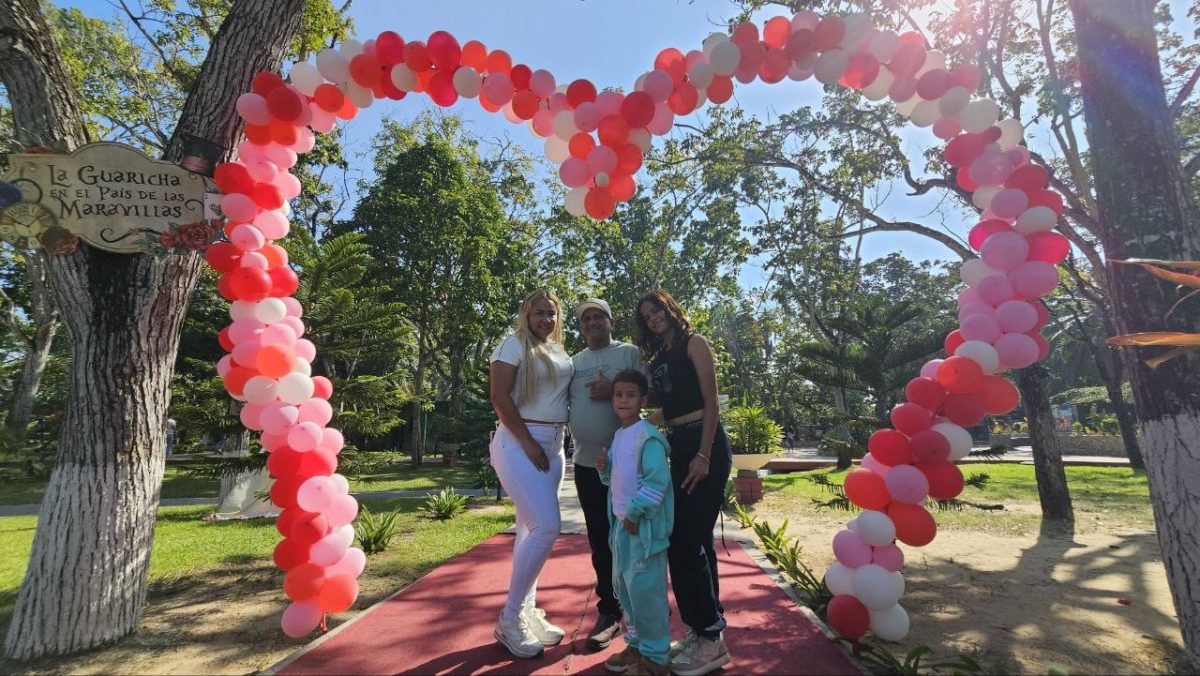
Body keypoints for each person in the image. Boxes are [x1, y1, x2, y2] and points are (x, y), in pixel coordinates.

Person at [634, 290, 733, 676]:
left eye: (656, 310)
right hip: (678, 446)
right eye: (646, 315)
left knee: (685, 540)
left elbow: (711, 401)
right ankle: (706, 629)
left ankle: (710, 637)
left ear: (670, 308)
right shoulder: (659, 358)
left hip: (704, 445)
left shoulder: (695, 343)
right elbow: (667, 407)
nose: (653, 317)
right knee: (697, 541)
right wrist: (633, 426)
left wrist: (704, 455)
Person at [488, 289, 574, 658]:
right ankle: (509, 619)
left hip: (555, 445)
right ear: (526, 314)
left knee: (529, 530)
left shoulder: (557, 350)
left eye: (551, 313)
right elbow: (500, 397)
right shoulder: (512, 345)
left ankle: (525, 610)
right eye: (539, 312)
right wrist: (528, 443)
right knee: (547, 526)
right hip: (519, 442)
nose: (546, 319)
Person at [568, 298, 646, 650]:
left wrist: (612, 387)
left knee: (634, 538)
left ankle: (643, 610)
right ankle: (610, 612)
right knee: (601, 541)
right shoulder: (574, 362)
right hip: (587, 465)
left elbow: (649, 394)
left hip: (627, 464)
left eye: (599, 316)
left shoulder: (628, 353)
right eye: (586, 318)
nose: (592, 322)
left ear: (611, 322)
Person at [596, 370, 673, 676]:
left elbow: (657, 481)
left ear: (643, 400)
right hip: (621, 528)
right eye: (618, 395)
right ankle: (637, 645)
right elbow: (616, 481)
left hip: (643, 531)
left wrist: (635, 513)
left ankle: (656, 658)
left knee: (647, 595)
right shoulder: (619, 436)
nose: (623, 400)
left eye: (630, 395)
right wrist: (604, 468)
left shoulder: (648, 437)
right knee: (627, 591)